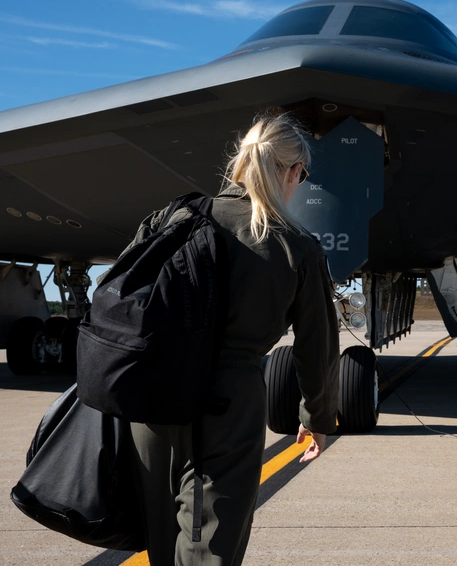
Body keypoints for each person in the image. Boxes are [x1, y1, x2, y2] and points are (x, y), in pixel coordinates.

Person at [126, 112, 340, 565]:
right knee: (209, 548)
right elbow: (315, 346)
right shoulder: (294, 246)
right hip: (227, 403)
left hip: (149, 398)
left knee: (161, 541)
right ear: (291, 171)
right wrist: (315, 415)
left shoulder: (174, 216)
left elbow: (119, 292)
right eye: (302, 175)